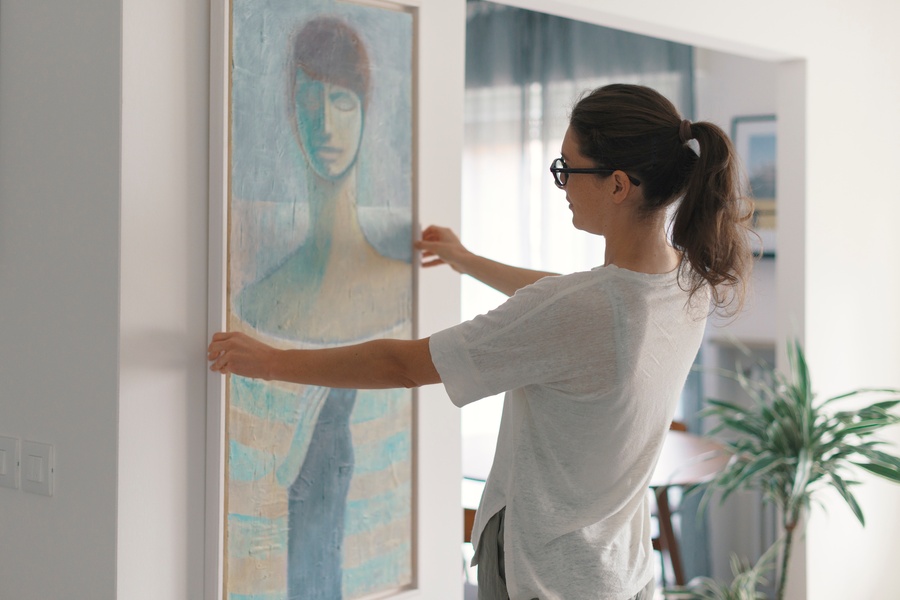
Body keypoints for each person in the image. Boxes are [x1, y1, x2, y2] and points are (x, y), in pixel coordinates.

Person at [209, 83, 753, 600]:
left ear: (617, 184)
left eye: (566, 169)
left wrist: (272, 361)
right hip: (622, 572)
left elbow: (403, 364)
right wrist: (466, 261)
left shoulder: (581, 311)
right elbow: (568, 302)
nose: (561, 184)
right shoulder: (688, 285)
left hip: (545, 576)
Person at [229, 16, 413, 600]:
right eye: (308, 101)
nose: (325, 123)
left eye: (341, 100)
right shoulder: (254, 305)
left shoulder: (405, 290)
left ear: (366, 110)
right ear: (289, 115)